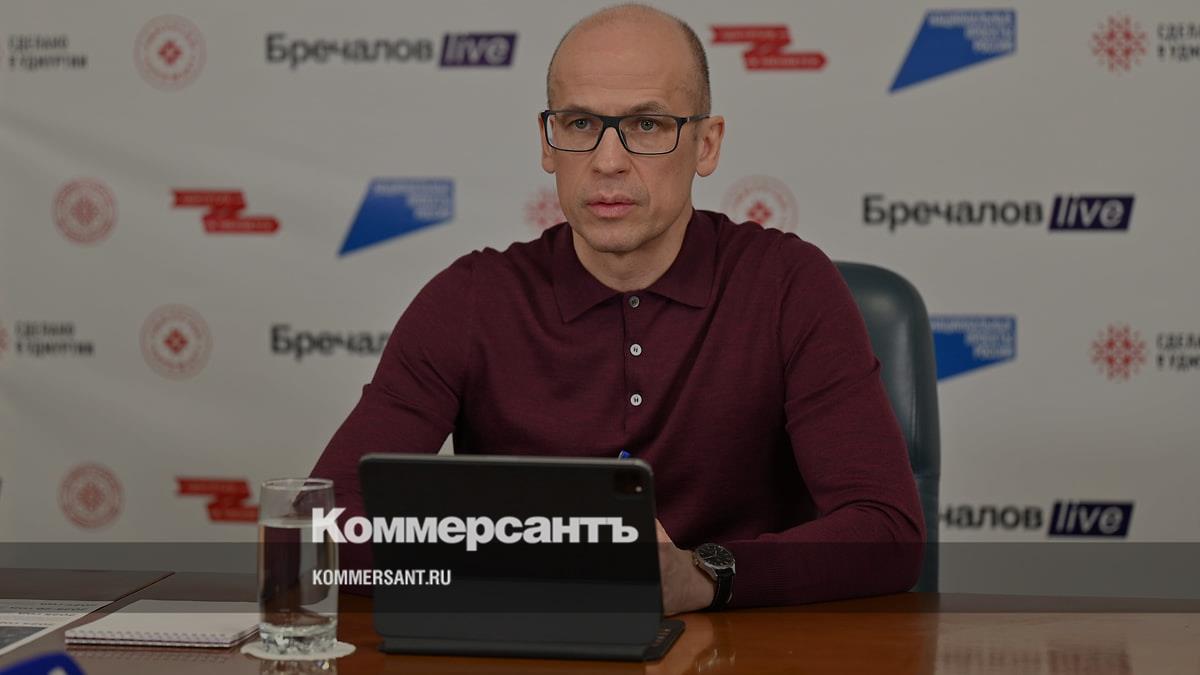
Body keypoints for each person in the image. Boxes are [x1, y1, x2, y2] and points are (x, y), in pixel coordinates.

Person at [312, 3, 924, 615]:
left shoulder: (789, 284)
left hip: (741, 646)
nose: (608, 161)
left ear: (707, 144)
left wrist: (701, 576)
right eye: (580, 123)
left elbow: (887, 530)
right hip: (528, 646)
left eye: (648, 125)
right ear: (547, 142)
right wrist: (522, 565)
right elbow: (324, 525)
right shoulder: (470, 298)